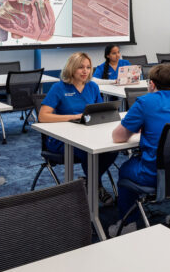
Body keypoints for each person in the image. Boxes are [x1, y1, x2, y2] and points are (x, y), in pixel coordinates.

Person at [109, 64, 170, 236]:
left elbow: (118, 137)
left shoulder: (145, 102)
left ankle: (128, 224)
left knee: (126, 169)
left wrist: (142, 125)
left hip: (155, 174)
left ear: (151, 84)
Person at [39, 52, 118, 204]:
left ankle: (90, 182)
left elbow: (100, 111)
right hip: (62, 139)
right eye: (80, 67)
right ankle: (96, 186)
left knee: (113, 147)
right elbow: (43, 116)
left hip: (88, 133)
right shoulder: (59, 88)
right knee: (88, 150)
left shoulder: (92, 86)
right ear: (71, 68)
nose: (85, 71)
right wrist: (73, 117)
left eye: (88, 67)